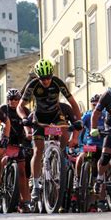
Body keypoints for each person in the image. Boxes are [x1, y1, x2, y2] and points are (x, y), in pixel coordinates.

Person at [16, 59, 82, 202]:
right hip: (39, 117)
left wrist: (77, 120)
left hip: (55, 115)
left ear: (52, 75)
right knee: (38, 150)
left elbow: (73, 103)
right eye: (42, 79)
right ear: (37, 77)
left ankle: (60, 154)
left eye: (48, 78)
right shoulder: (32, 85)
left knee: (64, 131)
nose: (45, 81)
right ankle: (35, 184)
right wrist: (24, 118)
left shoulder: (58, 82)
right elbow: (20, 106)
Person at [0, 88, 32, 213]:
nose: (13, 102)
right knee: (1, 160)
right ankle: (0, 181)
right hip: (6, 140)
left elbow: (28, 126)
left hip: (21, 141)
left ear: (19, 100)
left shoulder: (26, 111)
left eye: (16, 99)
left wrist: (29, 136)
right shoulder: (3, 109)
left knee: (23, 172)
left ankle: (24, 202)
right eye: (10, 99)